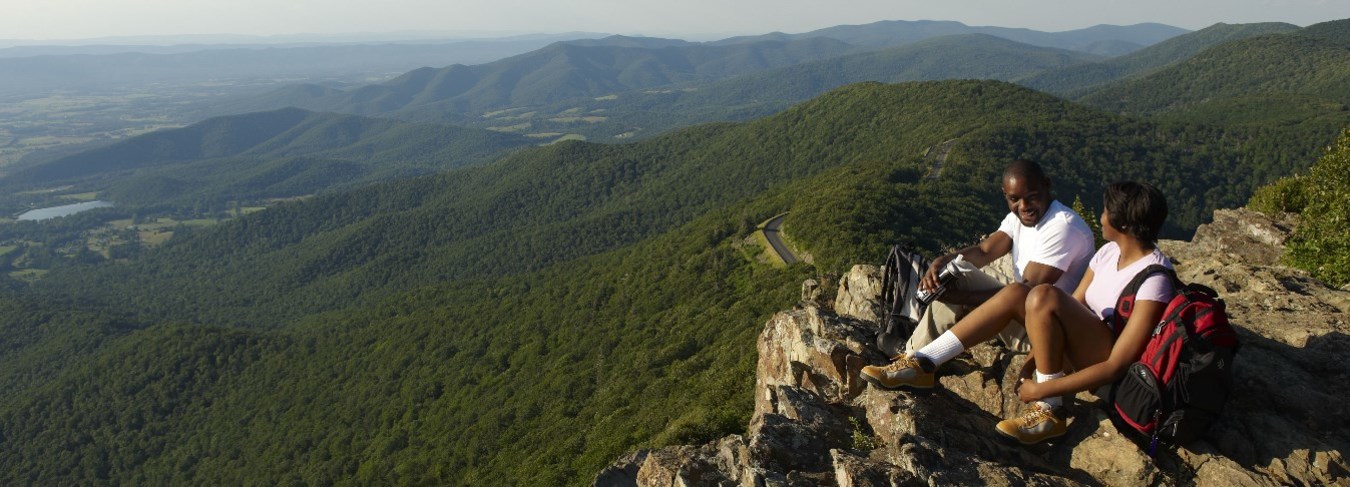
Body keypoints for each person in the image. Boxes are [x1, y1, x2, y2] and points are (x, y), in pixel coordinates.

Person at [862, 181, 1175, 445]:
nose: (1101, 216)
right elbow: (1074, 308)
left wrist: (1044, 387)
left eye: (1106, 211)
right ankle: (924, 362)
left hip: (1104, 366)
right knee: (1017, 292)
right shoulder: (1109, 253)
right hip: (1079, 342)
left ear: (1121, 223)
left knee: (1040, 293)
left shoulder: (1154, 279)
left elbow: (1116, 366)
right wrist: (1035, 359)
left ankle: (1049, 410)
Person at [888, 159, 1095, 357]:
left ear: (1047, 185)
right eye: (1014, 199)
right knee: (955, 270)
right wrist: (941, 262)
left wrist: (961, 298)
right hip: (1027, 312)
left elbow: (1025, 291)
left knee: (961, 279)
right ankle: (923, 344)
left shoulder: (1062, 226)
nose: (1024, 206)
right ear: (1005, 195)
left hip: (1045, 333)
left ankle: (913, 357)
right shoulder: (1020, 217)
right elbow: (984, 251)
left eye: (1032, 196)